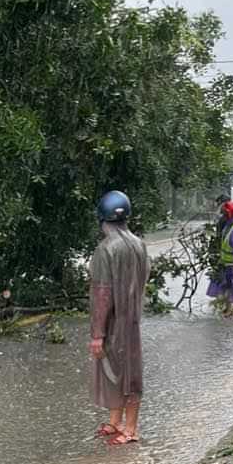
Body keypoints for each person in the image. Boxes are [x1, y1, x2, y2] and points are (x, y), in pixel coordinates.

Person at [89, 190, 150, 446]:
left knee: (117, 372)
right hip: (132, 319)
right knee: (125, 371)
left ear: (103, 220)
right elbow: (144, 278)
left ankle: (131, 429)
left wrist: (98, 333)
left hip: (114, 322)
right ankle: (116, 421)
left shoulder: (105, 249)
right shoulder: (139, 244)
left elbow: (102, 293)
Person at [206, 200, 233, 321]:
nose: (223, 214)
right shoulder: (229, 224)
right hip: (227, 262)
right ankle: (229, 309)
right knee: (227, 286)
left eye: (225, 212)